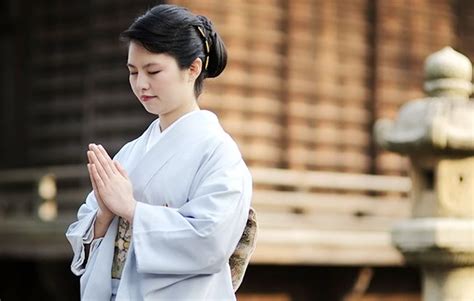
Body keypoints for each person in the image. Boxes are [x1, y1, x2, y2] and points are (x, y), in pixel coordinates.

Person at [66, 4, 256, 300]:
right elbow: (85, 237)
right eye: (133, 72)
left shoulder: (219, 154)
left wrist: (131, 210)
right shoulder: (129, 153)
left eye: (153, 70)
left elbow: (210, 241)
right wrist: (104, 215)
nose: (141, 84)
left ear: (193, 68)